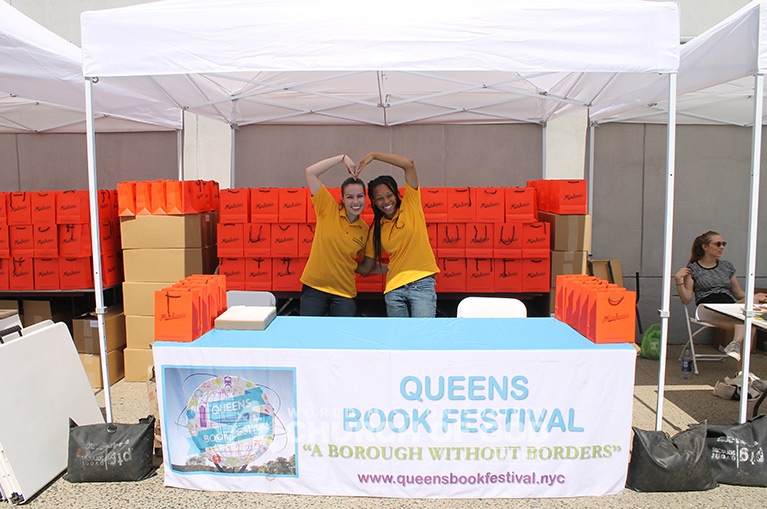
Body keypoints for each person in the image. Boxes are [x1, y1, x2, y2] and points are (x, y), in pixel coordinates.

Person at [357, 152, 439, 317]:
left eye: (389, 195)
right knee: (399, 341)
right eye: (379, 198)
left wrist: (374, 156)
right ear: (373, 202)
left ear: (396, 194)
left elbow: (408, 164)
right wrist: (337, 262)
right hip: (394, 289)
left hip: (421, 284)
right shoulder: (376, 230)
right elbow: (367, 267)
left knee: (423, 338)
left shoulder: (411, 205)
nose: (386, 201)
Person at [300, 154, 377, 316]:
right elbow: (311, 172)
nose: (355, 202)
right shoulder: (327, 209)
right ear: (342, 198)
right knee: (309, 338)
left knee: (343, 340)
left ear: (366, 198)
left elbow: (366, 266)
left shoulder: (365, 230)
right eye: (350, 197)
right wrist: (342, 158)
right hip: (314, 288)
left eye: (359, 196)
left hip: (345, 293)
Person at [675, 230, 767, 361]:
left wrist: (755, 296)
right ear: (705, 247)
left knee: (749, 314)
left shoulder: (727, 266)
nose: (722, 247)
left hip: (729, 307)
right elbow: (686, 299)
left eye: (723, 243)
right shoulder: (694, 269)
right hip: (708, 309)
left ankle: (739, 359)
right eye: (718, 244)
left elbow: (737, 292)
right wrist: (679, 280)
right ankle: (738, 353)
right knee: (747, 320)